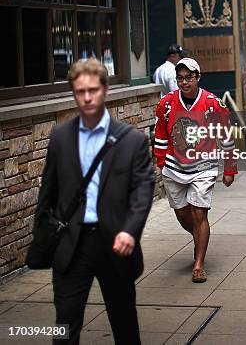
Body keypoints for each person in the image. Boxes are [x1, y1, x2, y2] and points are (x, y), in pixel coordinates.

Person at [34, 58, 155, 344]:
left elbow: (142, 189)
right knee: (64, 326)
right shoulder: (61, 137)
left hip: (114, 242)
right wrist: (44, 236)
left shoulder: (131, 141)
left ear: (105, 90)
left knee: (124, 323)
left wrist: (130, 229)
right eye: (80, 91)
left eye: (93, 90)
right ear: (73, 93)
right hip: (71, 244)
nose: (87, 97)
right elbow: (47, 193)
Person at [154, 57, 237, 283]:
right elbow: (160, 135)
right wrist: (161, 162)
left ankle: (198, 264)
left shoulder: (213, 103)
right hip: (174, 167)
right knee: (182, 213)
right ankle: (199, 238)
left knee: (199, 212)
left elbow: (226, 138)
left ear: (198, 77)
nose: (184, 83)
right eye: (180, 79)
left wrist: (229, 168)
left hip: (204, 165)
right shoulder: (167, 104)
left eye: (188, 78)